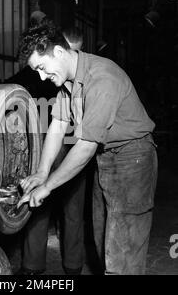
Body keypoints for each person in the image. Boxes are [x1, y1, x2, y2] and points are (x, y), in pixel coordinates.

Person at [17, 23, 158, 275]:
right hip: (106, 160)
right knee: (103, 240)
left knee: (122, 252)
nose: (40, 76)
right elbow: (58, 126)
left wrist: (47, 186)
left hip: (133, 159)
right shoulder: (67, 84)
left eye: (41, 67)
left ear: (59, 52)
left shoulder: (102, 78)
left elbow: (84, 148)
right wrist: (41, 172)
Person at [11, 23, 87, 275]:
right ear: (57, 50)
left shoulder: (82, 79)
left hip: (75, 144)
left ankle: (73, 266)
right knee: (38, 205)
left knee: (73, 210)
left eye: (79, 52)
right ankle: (33, 266)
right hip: (44, 145)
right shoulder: (37, 71)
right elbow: (8, 90)